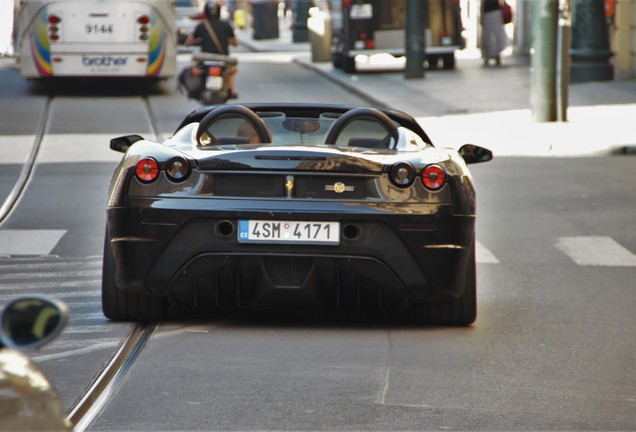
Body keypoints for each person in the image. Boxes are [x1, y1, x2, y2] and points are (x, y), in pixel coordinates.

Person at [185, 2, 239, 98]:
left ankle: (195, 89)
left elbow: (188, 42)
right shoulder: (226, 25)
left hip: (204, 59)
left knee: (193, 69)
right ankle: (232, 90)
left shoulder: (201, 26)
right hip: (224, 59)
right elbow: (235, 42)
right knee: (231, 71)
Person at [480, 0, 509, 66]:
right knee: (492, 34)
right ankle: (492, 56)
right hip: (494, 12)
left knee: (490, 35)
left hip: (491, 12)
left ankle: (492, 56)